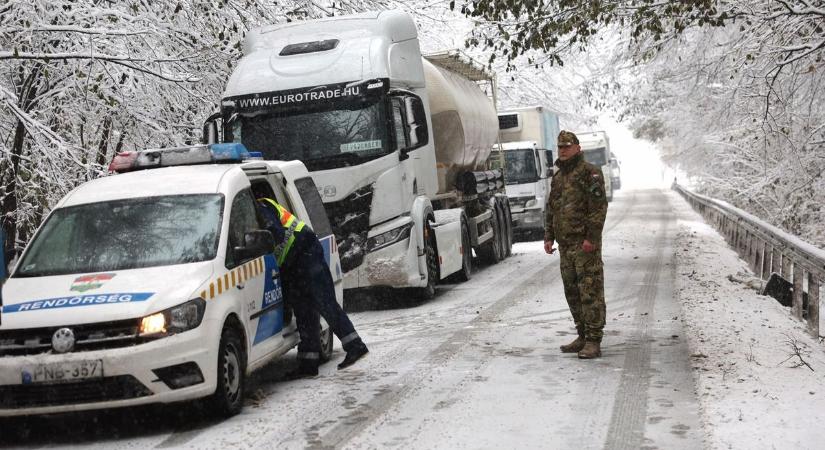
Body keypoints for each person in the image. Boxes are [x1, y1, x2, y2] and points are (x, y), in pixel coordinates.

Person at [256, 196, 369, 377]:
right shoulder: (261, 208)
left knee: (324, 302)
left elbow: (274, 234)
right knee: (304, 310)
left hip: (305, 252)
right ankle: (308, 363)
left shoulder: (261, 207)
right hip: (294, 261)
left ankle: (355, 345)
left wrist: (257, 248)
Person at [543, 130, 608, 359]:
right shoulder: (558, 178)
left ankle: (593, 339)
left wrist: (592, 238)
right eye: (560, 147)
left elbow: (598, 208)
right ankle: (581, 334)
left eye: (567, 147)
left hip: (584, 245)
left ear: (577, 148)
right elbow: (552, 209)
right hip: (566, 246)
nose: (563, 150)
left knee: (589, 291)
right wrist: (549, 235)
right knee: (572, 292)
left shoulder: (590, 173)